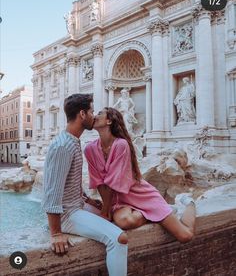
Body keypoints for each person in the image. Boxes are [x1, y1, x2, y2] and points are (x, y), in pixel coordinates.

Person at [42, 94, 128, 276]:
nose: (93, 116)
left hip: (77, 207)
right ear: (82, 114)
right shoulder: (63, 146)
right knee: (119, 238)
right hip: (68, 215)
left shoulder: (72, 141)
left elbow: (68, 183)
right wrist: (56, 233)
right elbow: (52, 193)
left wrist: (88, 200)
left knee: (111, 216)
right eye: (90, 111)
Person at [84, 107, 196, 243]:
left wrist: (105, 212)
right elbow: (99, 182)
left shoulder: (121, 144)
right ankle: (158, 213)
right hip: (120, 200)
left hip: (141, 195)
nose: (95, 116)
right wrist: (106, 210)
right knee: (124, 222)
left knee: (185, 236)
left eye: (100, 113)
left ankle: (189, 202)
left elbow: (113, 181)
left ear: (109, 121)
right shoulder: (90, 149)